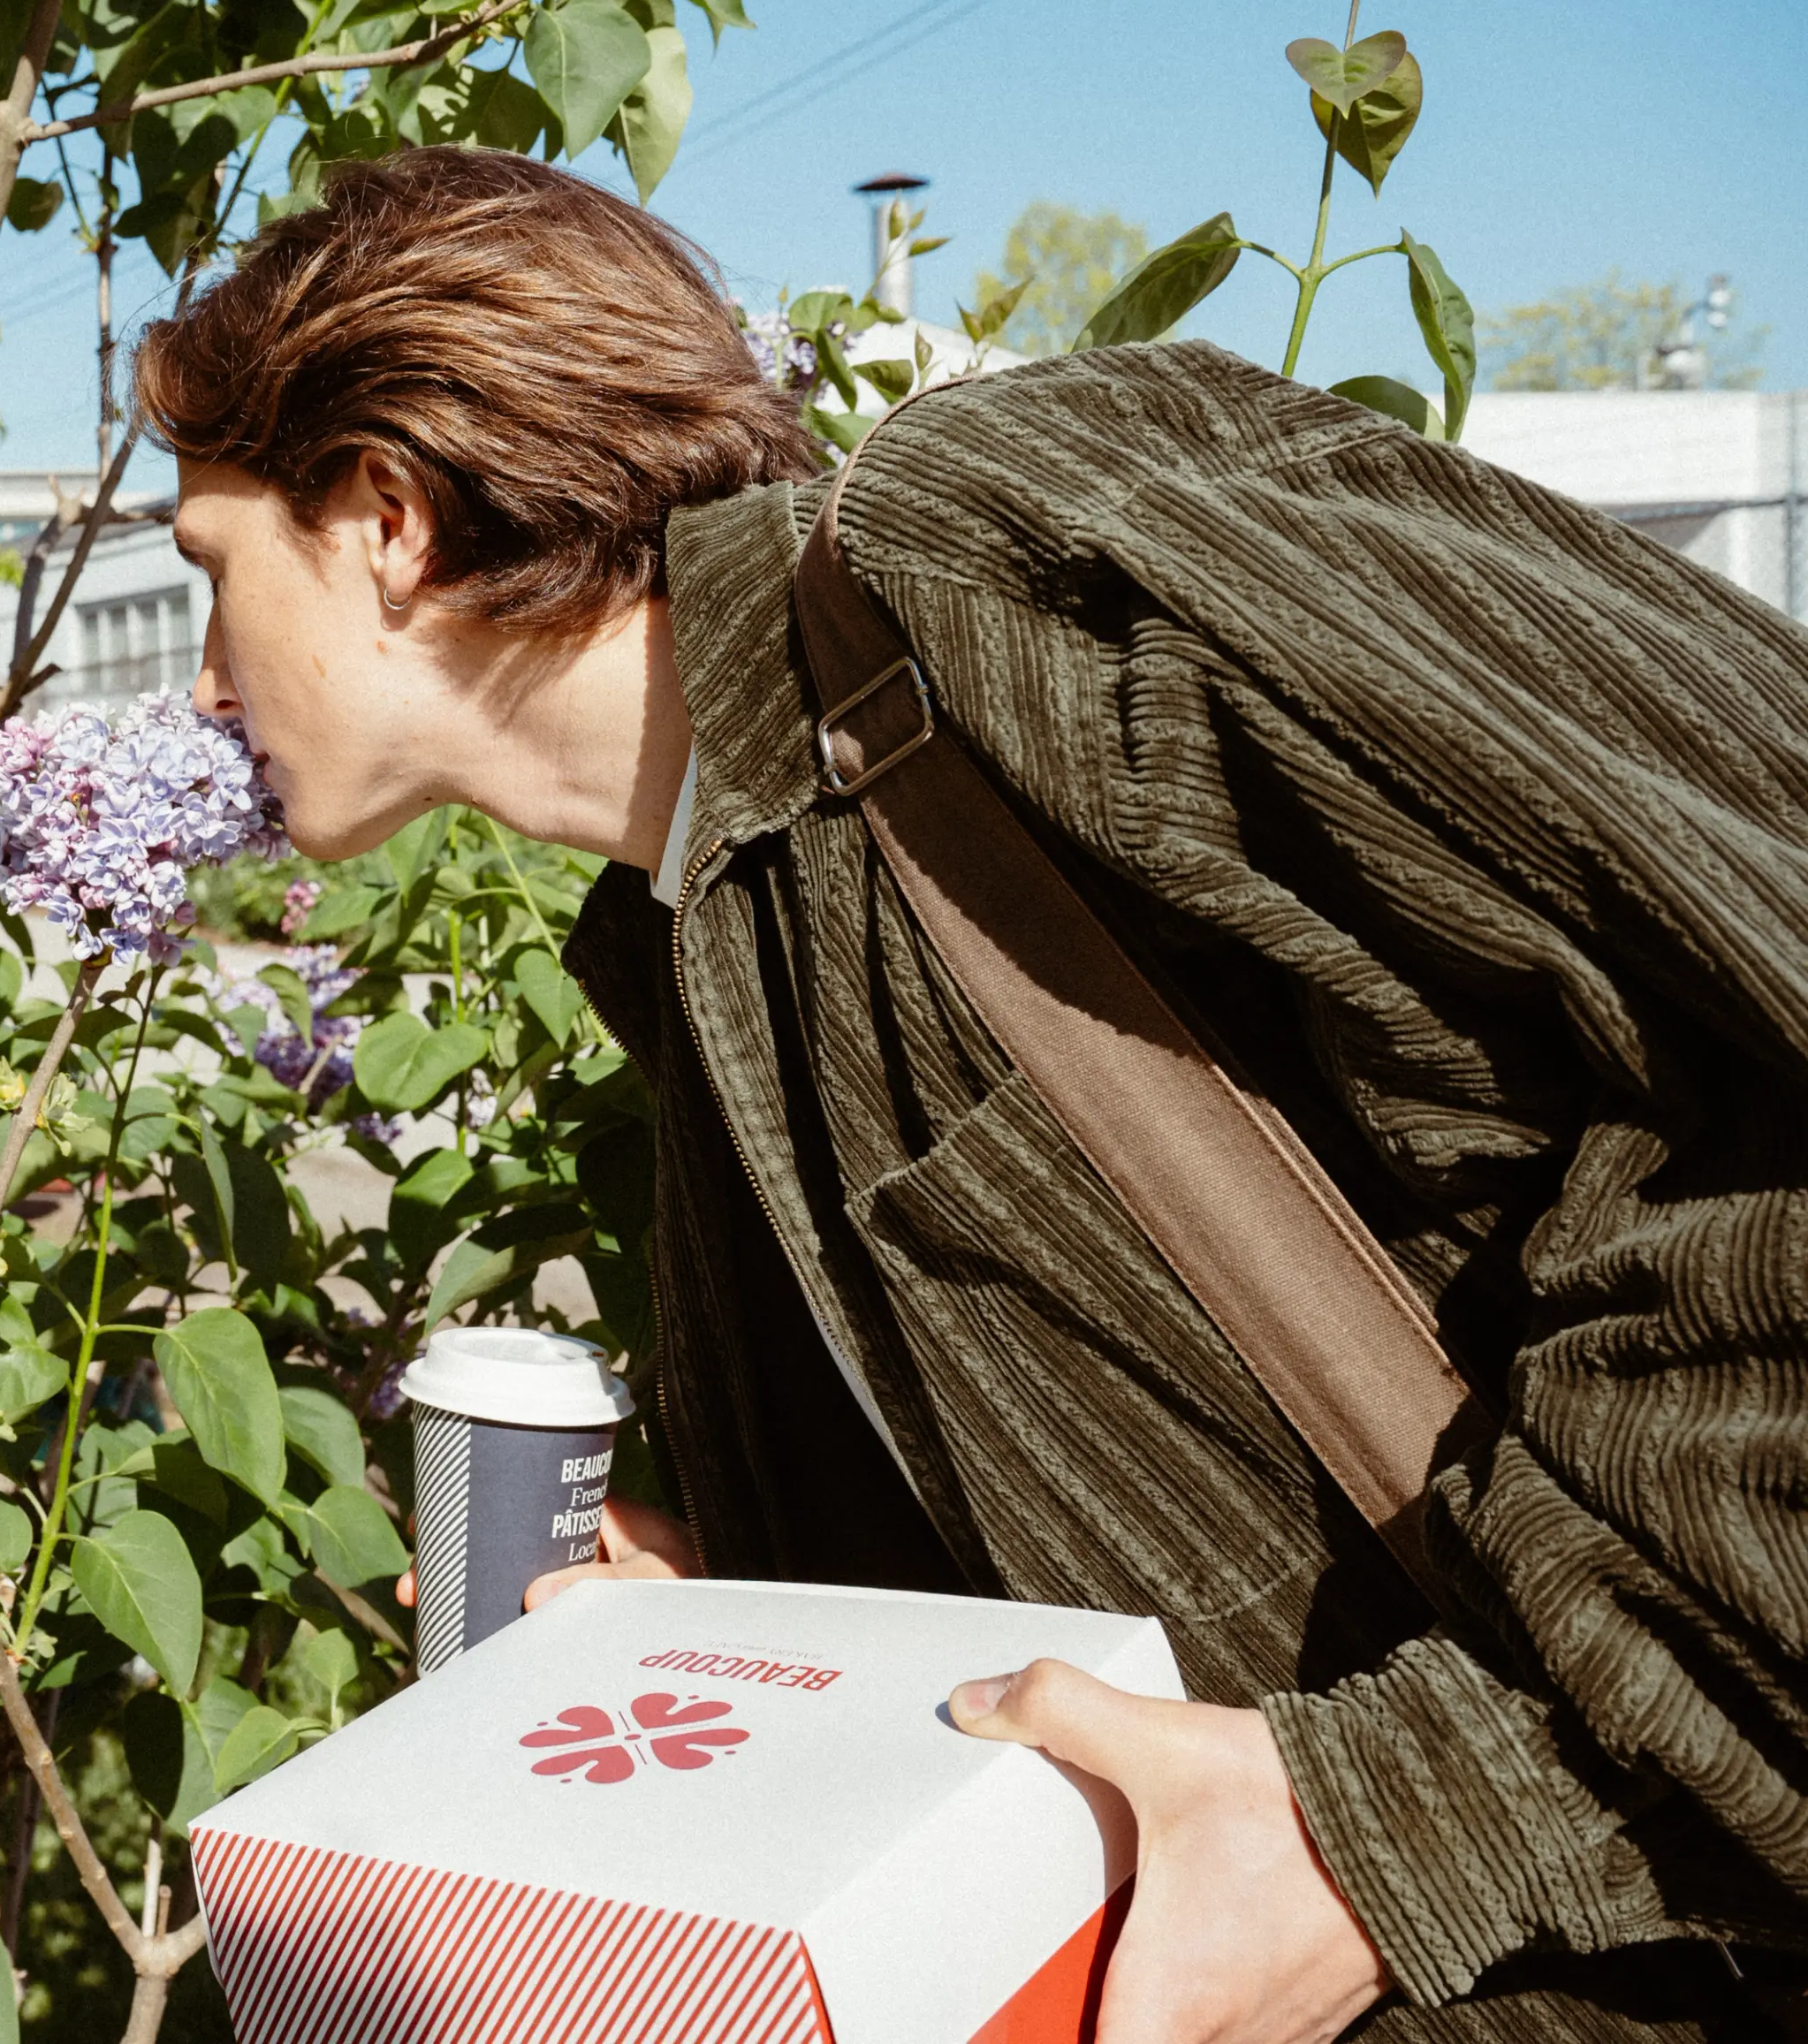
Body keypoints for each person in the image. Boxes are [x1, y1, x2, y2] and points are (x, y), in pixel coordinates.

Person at [134, 146, 1805, 2044]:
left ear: (381, 513)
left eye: (209, 575)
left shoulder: (1008, 560)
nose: (197, 687)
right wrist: (751, 1620)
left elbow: (1763, 1045)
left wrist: (1396, 1819)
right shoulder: (704, 933)